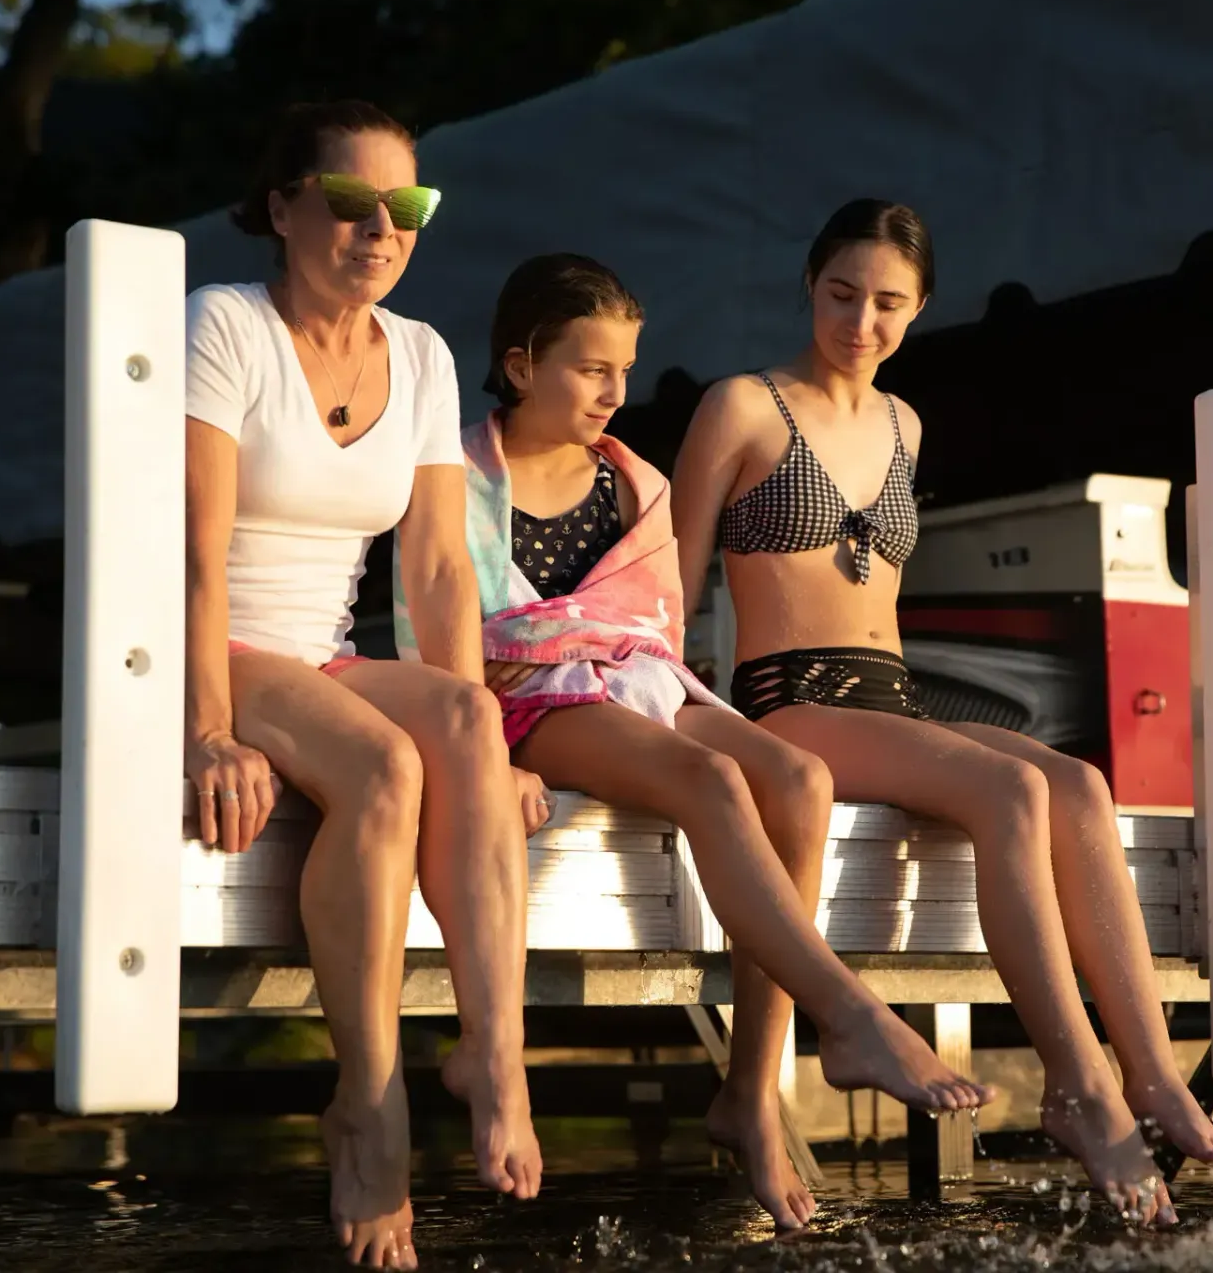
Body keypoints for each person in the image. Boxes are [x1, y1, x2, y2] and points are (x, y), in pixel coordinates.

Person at [392, 253, 993, 1229]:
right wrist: (485, 759)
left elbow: (653, 631)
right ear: (518, 364)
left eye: (624, 369)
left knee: (795, 776)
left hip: (633, 679)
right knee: (711, 778)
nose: (615, 393)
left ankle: (750, 1089)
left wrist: (648, 688)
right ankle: (849, 1012)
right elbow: (438, 628)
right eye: (590, 369)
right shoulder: (455, 475)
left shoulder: (635, 482)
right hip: (520, 692)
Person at [671, 200, 1213, 1227]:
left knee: (1079, 783)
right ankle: (1078, 1082)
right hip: (790, 698)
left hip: (886, 693)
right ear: (811, 284)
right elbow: (666, 585)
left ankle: (1151, 1071)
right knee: (1011, 784)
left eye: (889, 302)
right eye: (843, 293)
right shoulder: (743, 405)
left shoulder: (906, 425)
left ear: (921, 306)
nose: (861, 320)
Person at [185, 100, 550, 1270]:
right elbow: (188, 555)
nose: (379, 231)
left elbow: (442, 569)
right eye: (350, 204)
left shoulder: (428, 354)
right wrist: (202, 731)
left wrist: (481, 761)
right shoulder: (224, 327)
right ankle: (369, 1097)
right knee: (386, 767)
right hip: (220, 647)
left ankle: (495, 1056)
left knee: (462, 715)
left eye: (407, 208)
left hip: (324, 654)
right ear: (285, 206)